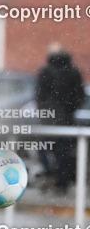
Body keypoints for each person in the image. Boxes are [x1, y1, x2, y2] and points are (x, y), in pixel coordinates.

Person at [35, 43, 85, 193]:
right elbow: (79, 96)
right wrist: (68, 110)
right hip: (66, 120)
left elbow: (39, 96)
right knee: (64, 153)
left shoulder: (46, 71)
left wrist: (46, 111)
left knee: (43, 147)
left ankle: (51, 174)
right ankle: (62, 183)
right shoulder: (73, 71)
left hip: (49, 120)